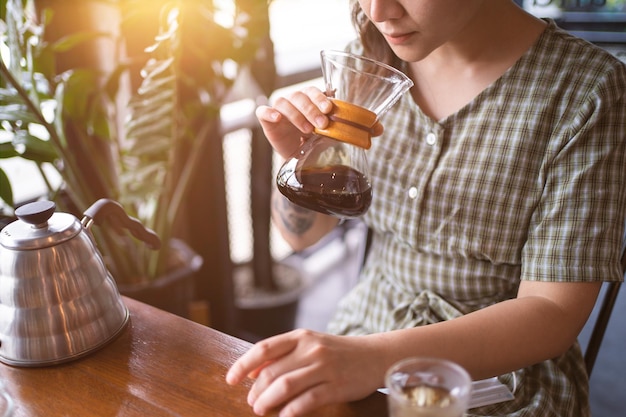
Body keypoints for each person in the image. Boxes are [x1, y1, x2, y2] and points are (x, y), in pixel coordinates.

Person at [226, 1, 626, 416]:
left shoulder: (586, 89)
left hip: (501, 377)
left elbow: (553, 313)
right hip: (364, 335)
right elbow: (303, 235)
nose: (379, 12)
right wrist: (301, 158)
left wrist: (372, 360)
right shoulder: (364, 64)